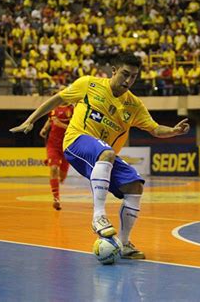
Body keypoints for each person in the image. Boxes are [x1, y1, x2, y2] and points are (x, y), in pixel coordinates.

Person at [10, 53, 190, 259]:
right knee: (106, 152)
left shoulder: (134, 105)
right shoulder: (89, 84)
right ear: (113, 71)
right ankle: (98, 216)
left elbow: (155, 129)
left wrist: (173, 131)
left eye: (133, 77)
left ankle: (123, 243)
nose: (129, 80)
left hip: (103, 156)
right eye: (125, 74)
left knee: (135, 185)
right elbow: (57, 99)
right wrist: (30, 120)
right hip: (76, 141)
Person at [39, 99, 74, 210]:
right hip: (53, 145)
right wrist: (44, 129)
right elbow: (50, 120)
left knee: (62, 178)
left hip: (66, 146)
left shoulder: (73, 110)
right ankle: (56, 199)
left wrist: (60, 124)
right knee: (54, 169)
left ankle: (50, 162)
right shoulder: (54, 108)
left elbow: (75, 129)